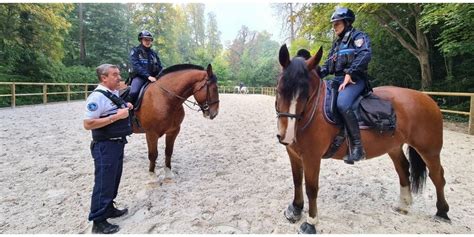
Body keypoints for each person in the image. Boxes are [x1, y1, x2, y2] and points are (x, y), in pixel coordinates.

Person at [84, 64, 133, 234]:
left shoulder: (112, 94)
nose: (118, 77)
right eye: (114, 75)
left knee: (113, 180)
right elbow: (88, 123)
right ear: (104, 78)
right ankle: (98, 221)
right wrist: (116, 117)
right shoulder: (96, 98)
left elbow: (114, 108)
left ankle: (109, 208)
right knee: (104, 182)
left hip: (117, 143)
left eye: (118, 74)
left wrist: (126, 106)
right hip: (105, 145)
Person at [318, 7, 372, 164]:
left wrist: (350, 73)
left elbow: (365, 54)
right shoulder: (336, 44)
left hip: (355, 79)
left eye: (337, 24)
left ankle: (357, 147)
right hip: (338, 79)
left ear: (347, 23)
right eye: (333, 24)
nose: (334, 27)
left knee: (342, 103)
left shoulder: (358, 37)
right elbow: (327, 66)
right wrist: (313, 73)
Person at [127, 30, 163, 106]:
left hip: (154, 77)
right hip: (140, 77)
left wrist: (162, 74)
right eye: (145, 39)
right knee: (134, 92)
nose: (148, 41)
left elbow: (159, 66)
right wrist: (148, 76)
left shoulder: (153, 53)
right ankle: (129, 110)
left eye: (149, 40)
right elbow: (136, 66)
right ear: (141, 40)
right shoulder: (135, 51)